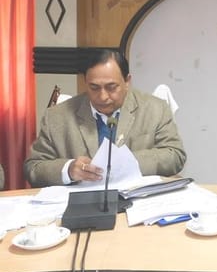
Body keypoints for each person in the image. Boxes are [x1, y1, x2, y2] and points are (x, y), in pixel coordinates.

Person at [24, 49, 187, 188]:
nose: (103, 97)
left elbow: (175, 155)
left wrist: (129, 162)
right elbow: (33, 168)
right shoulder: (57, 117)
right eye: (94, 87)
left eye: (111, 87)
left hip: (137, 200)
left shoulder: (155, 109)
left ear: (127, 81)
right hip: (82, 204)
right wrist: (68, 169)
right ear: (85, 82)